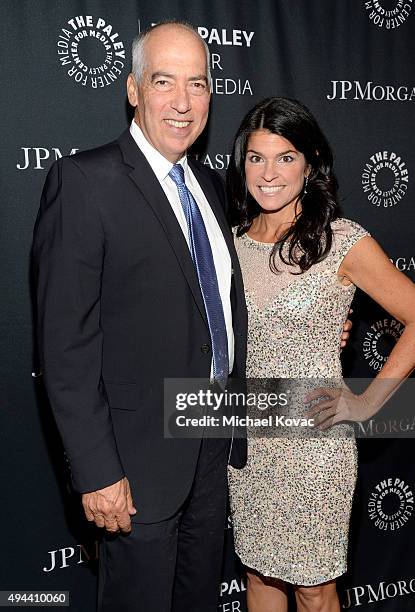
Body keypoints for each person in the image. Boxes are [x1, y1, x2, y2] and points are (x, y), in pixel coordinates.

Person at [32, 20, 248, 612]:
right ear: (132, 89)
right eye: (164, 82)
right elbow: (65, 347)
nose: (182, 102)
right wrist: (98, 470)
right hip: (134, 459)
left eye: (198, 84)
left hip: (211, 437)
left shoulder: (210, 182)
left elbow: (217, 297)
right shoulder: (83, 181)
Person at [226, 97, 415, 612]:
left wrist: (368, 403)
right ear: (241, 163)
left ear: (310, 164)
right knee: (259, 576)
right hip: (249, 446)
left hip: (314, 450)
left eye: (285, 157)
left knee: (314, 588)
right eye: (256, 158)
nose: (269, 173)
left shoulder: (343, 242)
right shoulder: (231, 246)